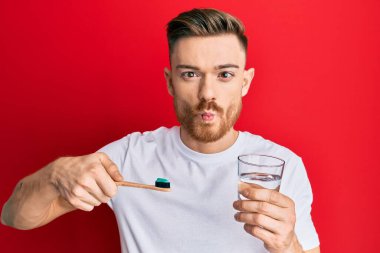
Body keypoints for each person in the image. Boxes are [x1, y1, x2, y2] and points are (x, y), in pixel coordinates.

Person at [1, 8, 320, 253]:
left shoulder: (282, 165)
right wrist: (54, 174)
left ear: (244, 82)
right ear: (170, 81)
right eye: (191, 74)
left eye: (224, 75)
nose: (207, 93)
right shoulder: (128, 156)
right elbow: (14, 217)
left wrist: (288, 244)